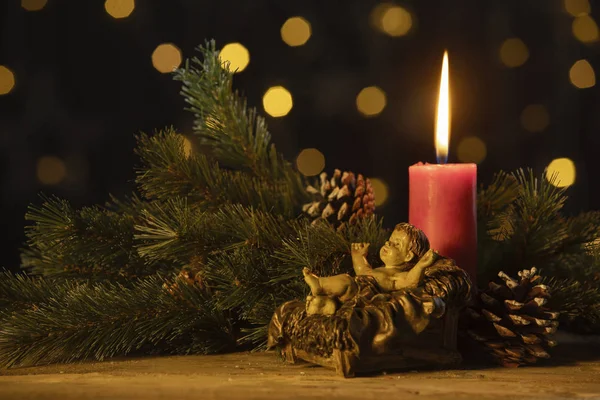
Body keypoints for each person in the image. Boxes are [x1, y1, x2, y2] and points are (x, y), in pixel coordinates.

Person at [302, 223, 438, 302]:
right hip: (357, 286)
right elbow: (363, 271)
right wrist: (358, 256)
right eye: (389, 240)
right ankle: (323, 303)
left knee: (346, 281)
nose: (387, 244)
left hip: (363, 294)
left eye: (396, 245)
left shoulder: (397, 275)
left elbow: (411, 281)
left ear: (408, 256)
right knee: (345, 282)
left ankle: (319, 284)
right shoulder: (380, 269)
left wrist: (421, 265)